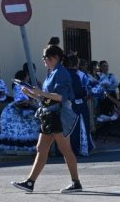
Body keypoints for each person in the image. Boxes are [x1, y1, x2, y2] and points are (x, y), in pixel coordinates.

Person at [10, 45, 84, 193]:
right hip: (50, 115)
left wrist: (40, 93)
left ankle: (76, 183)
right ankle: (30, 182)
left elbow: (61, 97)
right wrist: (32, 94)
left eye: (45, 58)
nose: (44, 61)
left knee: (65, 150)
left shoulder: (61, 73)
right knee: (41, 148)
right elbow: (47, 98)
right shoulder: (52, 72)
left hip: (58, 116)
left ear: (55, 58)